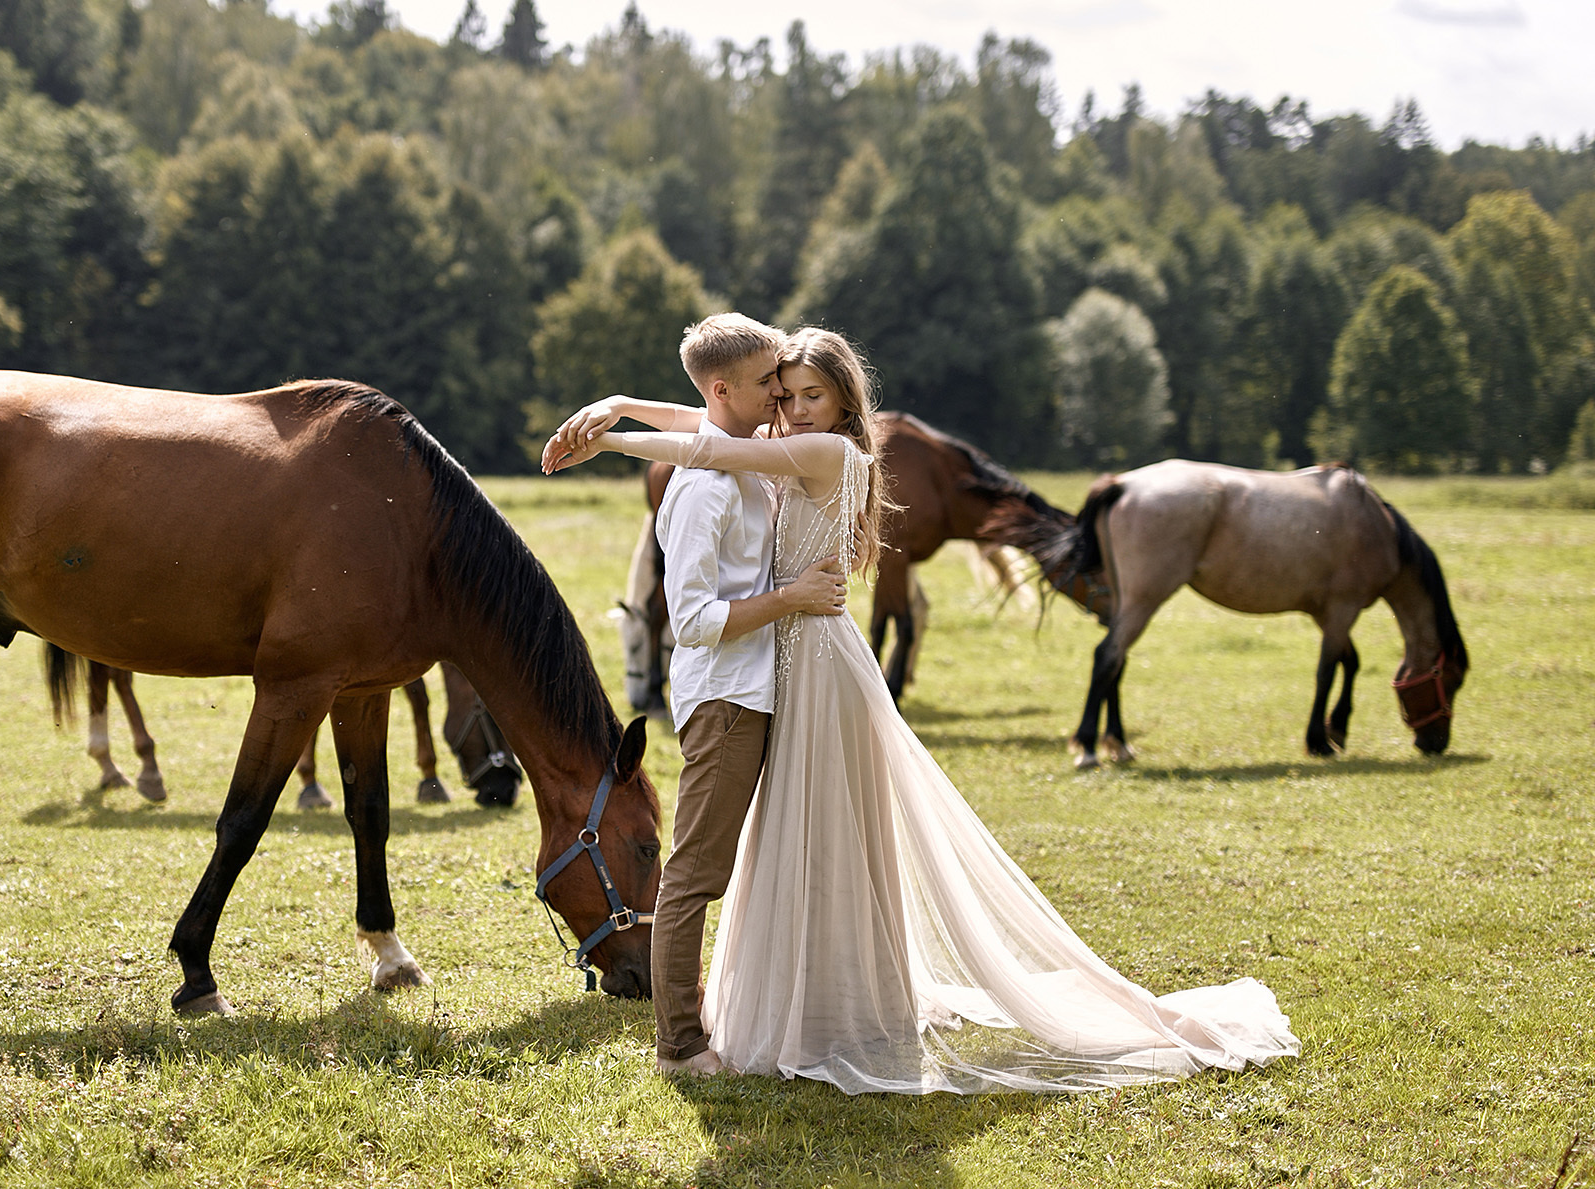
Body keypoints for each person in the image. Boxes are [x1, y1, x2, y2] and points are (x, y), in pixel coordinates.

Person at [543, 327, 1299, 1094]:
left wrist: (610, 442)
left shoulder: (826, 452)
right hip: (773, 669)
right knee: (790, 842)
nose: (788, 403)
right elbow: (702, 425)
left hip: (808, 664)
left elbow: (712, 443)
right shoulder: (784, 439)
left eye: (806, 393)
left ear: (842, 399)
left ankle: (815, 1009)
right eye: (781, 388)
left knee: (818, 838)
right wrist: (616, 407)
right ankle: (769, 1016)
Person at [596, 314, 849, 1077]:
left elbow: (695, 425)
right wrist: (795, 595)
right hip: (726, 698)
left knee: (721, 863)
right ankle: (678, 1043)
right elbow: (697, 621)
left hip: (758, 688)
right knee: (696, 870)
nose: (782, 391)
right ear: (725, 388)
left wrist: (618, 407)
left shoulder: (747, 457)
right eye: (772, 379)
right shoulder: (705, 492)